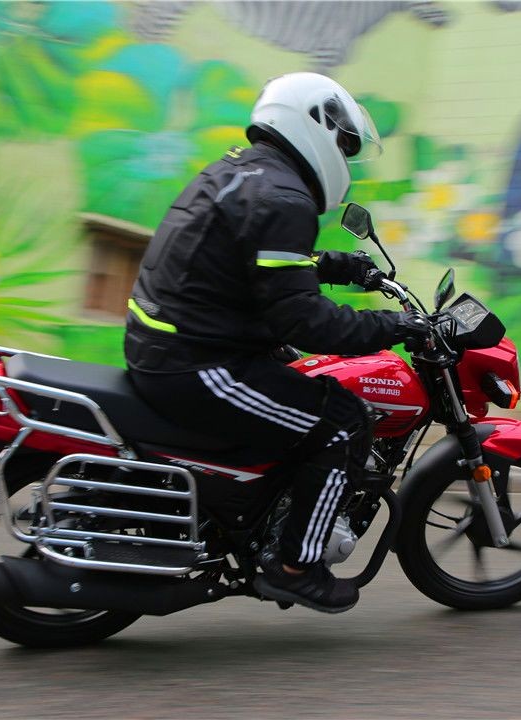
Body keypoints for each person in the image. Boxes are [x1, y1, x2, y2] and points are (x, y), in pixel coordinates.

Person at [124, 72, 430, 613]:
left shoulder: (242, 172)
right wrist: (393, 328)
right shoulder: (283, 196)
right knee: (342, 422)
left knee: (300, 386)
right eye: (344, 143)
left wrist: (335, 266)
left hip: (173, 347)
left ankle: (258, 512)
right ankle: (296, 567)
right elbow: (304, 321)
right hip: (197, 364)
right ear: (315, 124)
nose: (344, 156)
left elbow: (248, 265)